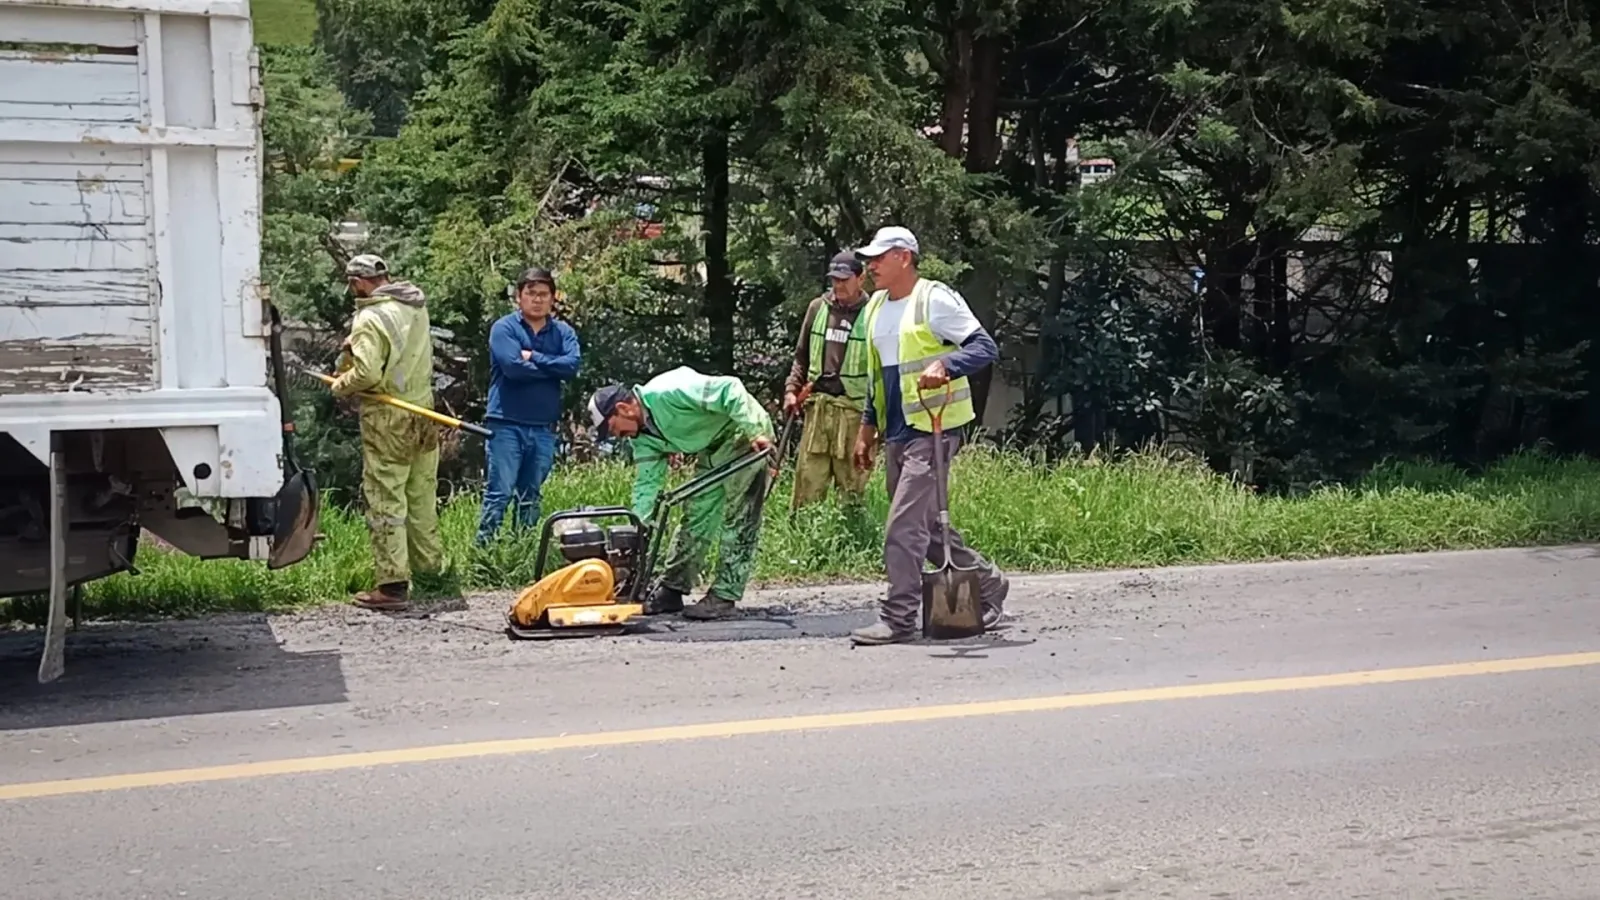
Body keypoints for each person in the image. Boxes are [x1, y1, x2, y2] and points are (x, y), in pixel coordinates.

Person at [847, 226, 1010, 645]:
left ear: (904, 257)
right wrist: (867, 430)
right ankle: (989, 584)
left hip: (934, 430)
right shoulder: (876, 307)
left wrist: (948, 365)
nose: (871, 266)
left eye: (879, 258)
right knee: (927, 528)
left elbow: (984, 347)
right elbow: (877, 378)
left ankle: (899, 618)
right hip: (898, 433)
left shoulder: (934, 298)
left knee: (902, 527)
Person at [587, 367, 775, 620]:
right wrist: (639, 529)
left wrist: (755, 431)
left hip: (743, 436)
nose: (616, 436)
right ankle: (672, 589)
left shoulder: (668, 391)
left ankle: (724, 596)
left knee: (740, 519)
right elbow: (647, 485)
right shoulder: (642, 438)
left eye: (612, 429)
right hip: (710, 450)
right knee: (695, 517)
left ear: (623, 408)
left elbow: (730, 389)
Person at [328, 253, 445, 612]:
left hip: (388, 416)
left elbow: (366, 375)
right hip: (423, 409)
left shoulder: (368, 318)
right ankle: (432, 573)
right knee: (422, 493)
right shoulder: (414, 304)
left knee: (385, 498)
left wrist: (339, 386)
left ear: (357, 283)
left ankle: (392, 585)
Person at [475, 266, 582, 545]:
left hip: (544, 427)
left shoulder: (563, 332)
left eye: (544, 294)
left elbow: (572, 366)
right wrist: (551, 368)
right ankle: (485, 550)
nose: (537, 299)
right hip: (506, 423)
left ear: (553, 298)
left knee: (531, 493)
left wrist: (534, 356)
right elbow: (513, 368)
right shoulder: (505, 328)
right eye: (531, 293)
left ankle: (522, 550)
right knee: (500, 491)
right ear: (519, 297)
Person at [783, 250, 873, 512]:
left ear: (861, 278)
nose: (838, 285)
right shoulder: (817, 308)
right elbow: (801, 357)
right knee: (807, 485)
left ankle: (849, 541)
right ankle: (803, 540)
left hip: (855, 413)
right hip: (818, 409)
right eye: (834, 279)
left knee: (852, 486)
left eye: (844, 279)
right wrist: (791, 390)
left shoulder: (874, 313)